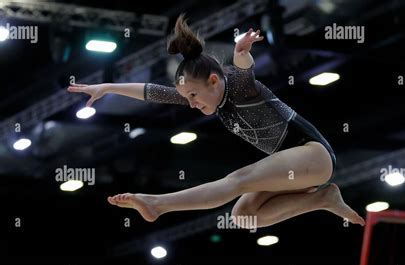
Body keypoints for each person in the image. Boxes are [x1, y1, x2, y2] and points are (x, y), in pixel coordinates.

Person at [68, 14, 365, 227]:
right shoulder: (209, 96)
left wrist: (241, 52)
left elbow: (243, 68)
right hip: (293, 164)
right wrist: (107, 87)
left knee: (237, 181)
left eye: (194, 95)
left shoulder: (237, 86)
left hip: (313, 153)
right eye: (187, 98)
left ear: (214, 80)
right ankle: (323, 199)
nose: (192, 103)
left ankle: (158, 204)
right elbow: (153, 92)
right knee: (243, 216)